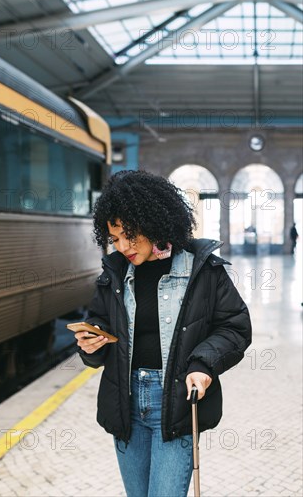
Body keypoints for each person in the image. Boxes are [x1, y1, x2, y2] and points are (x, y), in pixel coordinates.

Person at [76, 170, 252, 497]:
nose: (123, 246)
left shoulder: (202, 270)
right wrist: (91, 344)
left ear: (153, 221)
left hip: (176, 404)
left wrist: (202, 365)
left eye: (130, 234)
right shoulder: (114, 274)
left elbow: (235, 326)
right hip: (126, 405)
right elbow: (99, 326)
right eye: (115, 239)